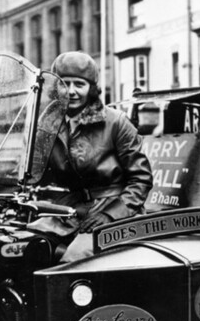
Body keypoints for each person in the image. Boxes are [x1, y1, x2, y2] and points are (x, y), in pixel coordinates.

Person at [33, 51, 153, 262]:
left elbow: (141, 179)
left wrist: (109, 214)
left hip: (117, 208)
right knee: (27, 245)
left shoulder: (116, 122)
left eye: (79, 84)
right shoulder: (49, 124)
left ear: (92, 89)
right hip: (73, 208)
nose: (71, 91)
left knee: (74, 258)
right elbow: (34, 171)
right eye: (64, 83)